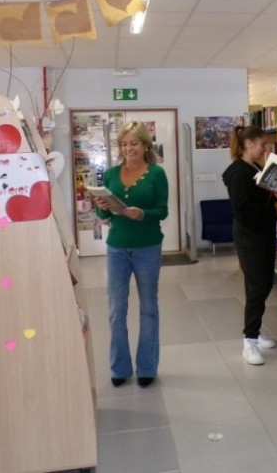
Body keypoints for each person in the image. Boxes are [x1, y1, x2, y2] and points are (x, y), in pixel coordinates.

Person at [95, 121, 169, 389]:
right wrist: (102, 207)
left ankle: (147, 367)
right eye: (124, 144)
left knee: (148, 308)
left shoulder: (156, 174)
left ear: (145, 145)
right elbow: (103, 215)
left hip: (147, 247)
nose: (129, 148)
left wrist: (143, 214)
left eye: (134, 143)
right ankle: (120, 368)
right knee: (116, 310)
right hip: (116, 247)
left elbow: (162, 210)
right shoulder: (111, 174)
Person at [223, 125, 277, 365]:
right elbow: (242, 209)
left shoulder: (255, 167)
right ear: (248, 145)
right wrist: (271, 207)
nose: (264, 149)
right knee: (257, 286)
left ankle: (255, 330)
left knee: (264, 283)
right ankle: (250, 340)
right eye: (261, 144)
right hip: (250, 236)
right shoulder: (238, 172)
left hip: (264, 233)